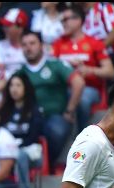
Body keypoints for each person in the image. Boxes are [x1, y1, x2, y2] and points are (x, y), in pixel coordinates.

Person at [18, 30, 83, 172]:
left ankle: (51, 165)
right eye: (24, 44)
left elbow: (78, 82)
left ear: (41, 45)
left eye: (32, 43)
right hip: (29, 118)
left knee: (56, 130)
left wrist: (70, 110)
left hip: (55, 116)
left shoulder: (55, 65)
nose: (28, 47)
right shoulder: (19, 72)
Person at [51, 5, 114, 132]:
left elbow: (110, 71)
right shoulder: (57, 44)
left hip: (89, 88)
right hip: (63, 89)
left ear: (79, 20)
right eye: (62, 20)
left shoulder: (94, 43)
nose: (63, 24)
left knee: (83, 98)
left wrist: (89, 70)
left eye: (66, 20)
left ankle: (82, 136)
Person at [0, 72, 44, 188]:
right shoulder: (4, 110)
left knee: (20, 156)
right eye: (11, 85)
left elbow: (34, 136)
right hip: (8, 151)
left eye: (18, 85)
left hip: (30, 151)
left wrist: (15, 147)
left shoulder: (34, 110)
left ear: (26, 88)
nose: (14, 89)